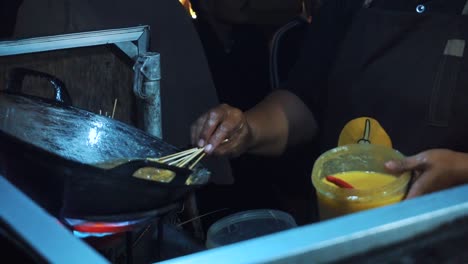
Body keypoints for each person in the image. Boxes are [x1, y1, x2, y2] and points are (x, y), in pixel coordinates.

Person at [191, 0, 468, 208]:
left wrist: (460, 171)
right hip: (343, 223)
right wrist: (249, 128)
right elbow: (304, 100)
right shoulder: (349, 5)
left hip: (444, 233)